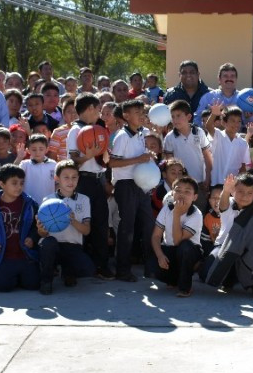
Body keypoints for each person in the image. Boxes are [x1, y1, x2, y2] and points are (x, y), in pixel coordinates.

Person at [208, 173, 253, 299]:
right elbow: (223, 206)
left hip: (248, 248)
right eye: (240, 191)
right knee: (209, 271)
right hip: (225, 246)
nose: (244, 196)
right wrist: (225, 190)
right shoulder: (228, 202)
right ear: (233, 191)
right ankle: (228, 281)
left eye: (249, 193)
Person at [109, 99, 154, 283]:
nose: (141, 114)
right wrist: (138, 159)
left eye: (142, 111)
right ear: (126, 116)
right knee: (127, 227)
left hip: (141, 183)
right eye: (136, 112)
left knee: (149, 223)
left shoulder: (143, 132)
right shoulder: (122, 136)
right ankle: (122, 270)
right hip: (125, 184)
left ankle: (151, 267)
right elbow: (112, 162)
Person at [0, 163, 40, 291]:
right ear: (2, 184)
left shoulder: (30, 204)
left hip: (25, 255)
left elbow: (37, 227)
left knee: (33, 285)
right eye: (14, 183)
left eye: (21, 183)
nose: (19, 187)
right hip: (2, 257)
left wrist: (32, 238)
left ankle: (22, 274)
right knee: (3, 287)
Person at [36, 160, 96, 294]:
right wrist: (41, 230)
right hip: (53, 244)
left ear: (78, 179)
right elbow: (42, 234)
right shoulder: (48, 200)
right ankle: (46, 279)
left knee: (88, 270)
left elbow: (86, 231)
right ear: (57, 178)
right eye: (66, 177)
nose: (70, 181)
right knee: (48, 244)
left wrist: (73, 220)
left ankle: (68, 272)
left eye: (74, 177)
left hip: (73, 245)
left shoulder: (84, 200)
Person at [68, 94, 111, 278]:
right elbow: (73, 161)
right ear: (91, 108)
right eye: (98, 108)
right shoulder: (75, 131)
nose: (99, 113)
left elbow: (104, 159)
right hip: (82, 181)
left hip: (98, 179)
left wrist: (104, 156)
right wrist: (88, 155)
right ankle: (78, 266)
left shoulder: (98, 129)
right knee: (81, 223)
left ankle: (101, 266)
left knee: (101, 224)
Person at [151, 176, 203, 297]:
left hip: (189, 251)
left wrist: (176, 214)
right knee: (152, 265)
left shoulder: (196, 214)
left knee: (184, 247)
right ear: (172, 193)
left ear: (194, 197)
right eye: (178, 190)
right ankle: (173, 280)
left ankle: (185, 288)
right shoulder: (165, 209)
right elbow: (156, 236)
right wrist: (160, 256)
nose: (181, 194)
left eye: (187, 192)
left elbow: (177, 241)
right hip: (171, 250)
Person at [163, 100, 212, 193]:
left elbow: (207, 156)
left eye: (178, 116)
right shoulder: (169, 137)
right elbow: (169, 163)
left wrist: (208, 177)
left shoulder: (199, 132)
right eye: (172, 116)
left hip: (199, 181)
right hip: (179, 184)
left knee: (200, 205)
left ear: (188, 117)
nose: (175, 120)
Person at [207, 104, 251, 185]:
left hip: (231, 186)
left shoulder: (243, 143)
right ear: (223, 122)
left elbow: (242, 167)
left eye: (239, 121)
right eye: (233, 121)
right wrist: (214, 114)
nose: (236, 124)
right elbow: (209, 126)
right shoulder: (218, 135)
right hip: (214, 182)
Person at [19, 134, 56, 208]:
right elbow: (12, 173)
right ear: (28, 150)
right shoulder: (25, 164)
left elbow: (58, 184)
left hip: (49, 204)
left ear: (47, 149)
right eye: (34, 149)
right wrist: (19, 158)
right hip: (28, 205)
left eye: (41, 149)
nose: (37, 152)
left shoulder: (53, 164)